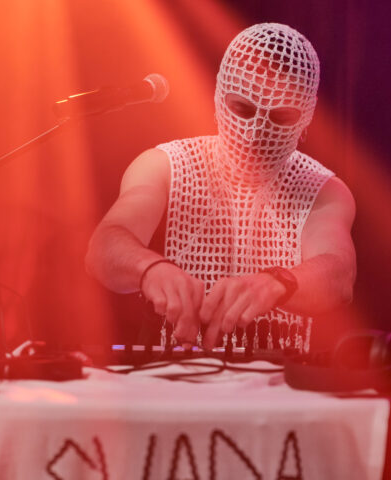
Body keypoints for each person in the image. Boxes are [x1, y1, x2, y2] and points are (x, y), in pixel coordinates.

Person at [85, 23, 356, 352]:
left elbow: (339, 274)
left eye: (280, 117)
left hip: (280, 378)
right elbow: (104, 246)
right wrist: (150, 269)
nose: (255, 134)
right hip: (172, 374)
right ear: (218, 96)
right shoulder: (164, 166)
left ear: (308, 114)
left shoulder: (323, 189)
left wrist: (279, 282)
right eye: (243, 108)